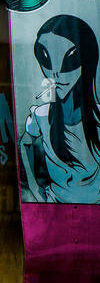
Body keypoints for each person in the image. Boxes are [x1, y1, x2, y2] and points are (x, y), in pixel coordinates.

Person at [20, 14, 100, 203]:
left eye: (68, 61)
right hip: (54, 210)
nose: (55, 73)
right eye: (46, 59)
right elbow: (25, 144)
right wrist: (34, 187)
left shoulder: (97, 117)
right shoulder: (41, 115)